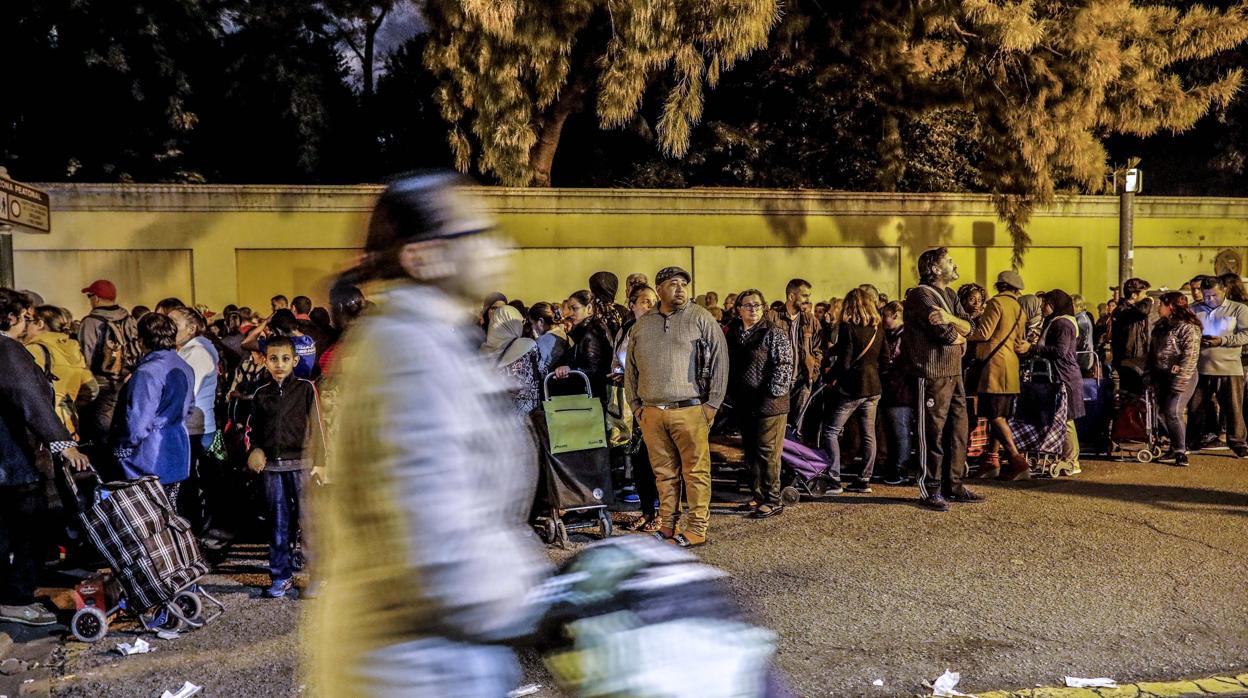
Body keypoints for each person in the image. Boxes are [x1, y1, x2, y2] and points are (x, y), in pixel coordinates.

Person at [307, 173, 547, 696]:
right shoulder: (407, 354)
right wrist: (547, 605)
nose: (497, 246)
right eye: (476, 233)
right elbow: (435, 548)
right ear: (423, 257)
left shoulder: (431, 339)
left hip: (440, 660)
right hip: (413, 669)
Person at [0, 289, 91, 626]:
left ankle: (16, 592)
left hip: (9, 460)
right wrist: (62, 443)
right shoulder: (8, 351)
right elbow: (30, 400)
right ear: (10, 318)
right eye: (26, 316)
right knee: (20, 530)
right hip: (12, 461)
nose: (30, 323)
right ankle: (14, 598)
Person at [625, 266, 728, 548]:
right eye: (673, 284)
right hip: (652, 412)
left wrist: (712, 405)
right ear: (659, 289)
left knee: (695, 472)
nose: (681, 288)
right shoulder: (643, 325)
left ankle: (696, 528)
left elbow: (721, 360)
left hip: (690, 409)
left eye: (684, 284)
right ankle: (667, 525)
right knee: (664, 474)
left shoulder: (700, 318)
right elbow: (630, 369)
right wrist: (636, 405)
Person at [246, 336, 326, 598]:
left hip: (302, 464)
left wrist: (321, 462)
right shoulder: (260, 394)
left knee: (309, 521)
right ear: (265, 361)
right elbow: (253, 430)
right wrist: (254, 449)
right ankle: (281, 576)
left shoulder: (306, 389)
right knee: (278, 523)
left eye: (284, 359)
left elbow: (319, 428)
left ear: (295, 360)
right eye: (273, 359)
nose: (279, 364)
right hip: (272, 468)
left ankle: (316, 576)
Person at [903, 248, 982, 511]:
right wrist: (957, 330)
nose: (954, 264)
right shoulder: (920, 295)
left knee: (958, 429)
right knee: (932, 432)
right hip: (932, 373)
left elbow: (971, 326)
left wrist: (951, 319)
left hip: (954, 372)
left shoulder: (949, 295)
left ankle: (955, 484)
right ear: (935, 269)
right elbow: (946, 334)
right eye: (949, 261)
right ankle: (931, 488)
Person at [111, 313, 195, 503]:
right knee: (170, 513)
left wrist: (122, 448)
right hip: (178, 446)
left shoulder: (147, 371)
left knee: (147, 517)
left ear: (142, 340)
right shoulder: (184, 366)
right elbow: (190, 408)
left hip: (148, 455)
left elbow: (138, 425)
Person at [727, 289, 794, 518]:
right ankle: (757, 496)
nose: (752, 309)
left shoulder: (773, 332)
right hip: (744, 402)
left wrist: (772, 393)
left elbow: (784, 365)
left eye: (757, 305)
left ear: (764, 308)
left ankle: (773, 499)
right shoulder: (733, 333)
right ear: (738, 310)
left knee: (767, 452)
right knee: (751, 452)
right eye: (747, 305)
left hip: (769, 404)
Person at [967, 271, 1032, 481]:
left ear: (999, 285)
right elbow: (1019, 342)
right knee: (1000, 416)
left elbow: (984, 333)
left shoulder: (996, 304)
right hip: (1011, 367)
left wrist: (964, 332)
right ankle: (991, 461)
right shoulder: (1020, 309)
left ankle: (1016, 459)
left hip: (993, 367)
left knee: (993, 415)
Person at [821, 288, 884, 494]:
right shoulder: (878, 328)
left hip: (852, 388)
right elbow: (886, 358)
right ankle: (864, 479)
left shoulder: (848, 328)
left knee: (831, 431)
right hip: (873, 387)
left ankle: (834, 478)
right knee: (869, 434)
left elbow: (845, 363)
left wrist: (829, 377)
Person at [169, 307, 222, 528]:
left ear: (191, 329)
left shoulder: (197, 352)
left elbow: (188, 391)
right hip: (191, 425)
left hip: (197, 427)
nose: (169, 328)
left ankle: (199, 528)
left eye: (174, 323)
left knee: (194, 482)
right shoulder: (186, 350)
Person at [616, 285, 661, 532]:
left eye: (653, 301)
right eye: (644, 301)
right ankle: (646, 510)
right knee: (640, 461)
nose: (650, 305)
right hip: (631, 403)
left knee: (658, 460)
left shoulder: (660, 329)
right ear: (632, 304)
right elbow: (619, 358)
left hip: (653, 402)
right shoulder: (626, 329)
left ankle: (664, 512)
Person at [76, 279, 140, 452]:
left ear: (96, 298)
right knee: (122, 426)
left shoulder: (91, 322)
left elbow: (85, 354)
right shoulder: (129, 318)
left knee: (101, 432)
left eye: (90, 296)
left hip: (101, 383)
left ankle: (106, 469)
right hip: (128, 380)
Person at [1189, 275, 1248, 458]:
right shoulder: (1194, 310)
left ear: (1224, 291)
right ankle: (1192, 440)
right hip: (1200, 368)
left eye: (1214, 295)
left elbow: (1246, 335)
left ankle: (1238, 443)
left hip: (1230, 368)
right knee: (1195, 407)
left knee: (1233, 408)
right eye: (1206, 296)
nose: (1209, 299)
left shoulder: (1238, 309)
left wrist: (1222, 340)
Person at [24, 305, 97, 439]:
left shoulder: (34, 350)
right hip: (69, 426)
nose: (25, 326)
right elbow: (92, 389)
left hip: (43, 429)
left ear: (40, 324)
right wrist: (67, 404)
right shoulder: (73, 349)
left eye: (29, 322)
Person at [1034, 290, 1085, 473]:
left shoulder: (1063, 323)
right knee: (1062, 417)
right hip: (1061, 375)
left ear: (1055, 304)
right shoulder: (1057, 321)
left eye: (1045, 303)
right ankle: (1067, 457)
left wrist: (1034, 349)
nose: (1042, 306)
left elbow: (1061, 351)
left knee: (1067, 418)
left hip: (1065, 377)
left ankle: (1072, 460)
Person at [1150, 291, 1202, 467]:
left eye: (1161, 304)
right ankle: (1173, 445)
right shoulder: (1161, 325)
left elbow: (1190, 355)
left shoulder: (1189, 327)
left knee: (1174, 411)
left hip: (1183, 375)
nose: (1158, 307)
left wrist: (1181, 379)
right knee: (1160, 412)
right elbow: (1153, 351)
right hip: (1162, 374)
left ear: (1170, 306)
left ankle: (1180, 452)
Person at [775, 278, 823, 429]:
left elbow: (818, 349)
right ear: (791, 296)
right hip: (779, 383)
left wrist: (813, 371)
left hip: (803, 381)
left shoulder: (810, 320)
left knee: (797, 428)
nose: (808, 300)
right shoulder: (772, 318)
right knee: (778, 427)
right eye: (804, 296)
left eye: (808, 296)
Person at [553, 289, 614, 404]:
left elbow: (594, 369)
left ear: (589, 308)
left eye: (574, 308)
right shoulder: (584, 329)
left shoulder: (592, 332)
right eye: (569, 309)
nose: (570, 313)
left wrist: (569, 370)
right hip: (590, 395)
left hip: (591, 397)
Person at [877, 300, 913, 485]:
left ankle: (901, 470)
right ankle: (893, 467)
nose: (882, 319)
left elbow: (899, 363)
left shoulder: (905, 336)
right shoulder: (889, 335)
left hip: (900, 391)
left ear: (896, 315)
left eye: (885, 315)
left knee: (900, 432)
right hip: (891, 390)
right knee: (892, 432)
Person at [481, 304, 541, 415]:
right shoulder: (527, 345)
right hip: (527, 412)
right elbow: (541, 370)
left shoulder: (484, 349)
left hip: (497, 412)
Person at [241, 309, 317, 379]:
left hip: (289, 388)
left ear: (278, 330)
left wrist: (266, 321)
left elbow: (246, 343)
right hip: (306, 386)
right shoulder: (309, 340)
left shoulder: (280, 345)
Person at [1110, 277, 1155, 395]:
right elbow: (1142, 311)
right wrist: (1148, 301)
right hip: (1128, 360)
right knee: (1131, 395)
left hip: (1137, 359)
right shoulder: (1123, 310)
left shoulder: (1129, 310)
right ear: (1134, 295)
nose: (1146, 296)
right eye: (1144, 293)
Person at [1071, 294, 1097, 375]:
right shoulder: (1080, 318)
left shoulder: (1081, 320)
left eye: (1071, 305)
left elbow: (1082, 340)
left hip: (1082, 358)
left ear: (1078, 306)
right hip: (1082, 357)